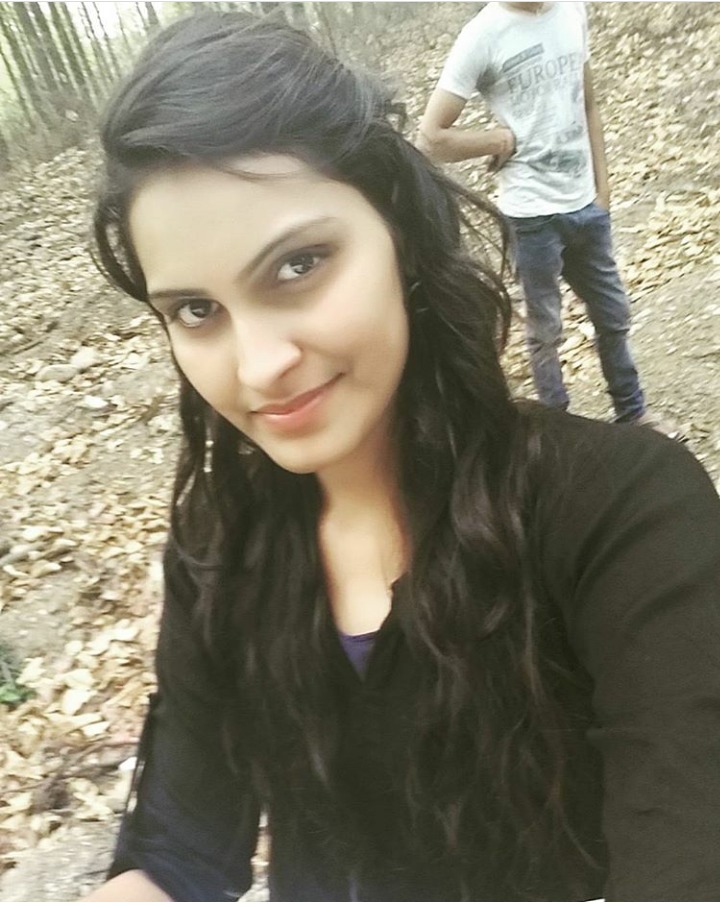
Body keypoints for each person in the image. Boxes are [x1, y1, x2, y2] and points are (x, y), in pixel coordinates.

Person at [86, 10, 720, 902]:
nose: (259, 364)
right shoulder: (221, 544)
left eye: (298, 265)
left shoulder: (622, 513)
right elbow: (176, 851)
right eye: (196, 310)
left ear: (401, 234)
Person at [418, 1, 685, 440]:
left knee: (613, 314)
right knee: (545, 331)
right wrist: (497, 140)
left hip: (586, 206)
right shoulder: (482, 35)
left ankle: (633, 412)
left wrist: (602, 188)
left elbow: (589, 103)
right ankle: (558, 435)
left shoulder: (571, 10)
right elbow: (431, 138)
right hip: (531, 218)